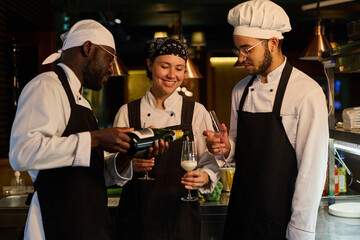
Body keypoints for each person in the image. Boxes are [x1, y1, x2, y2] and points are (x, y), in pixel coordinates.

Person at [9, 19, 166, 240]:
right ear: (88, 48)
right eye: (109, 59)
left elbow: (92, 174)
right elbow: (22, 153)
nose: (111, 69)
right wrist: (96, 138)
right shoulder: (46, 86)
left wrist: (127, 155)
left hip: (89, 223)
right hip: (58, 222)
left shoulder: (82, 102)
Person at [203, 1, 329, 239]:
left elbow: (311, 171)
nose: (241, 58)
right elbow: (241, 149)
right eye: (238, 50)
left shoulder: (306, 92)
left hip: (281, 222)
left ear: (272, 42)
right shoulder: (240, 90)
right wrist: (226, 147)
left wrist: (300, 231)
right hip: (240, 216)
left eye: (247, 49)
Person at [114, 37, 221, 240]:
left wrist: (205, 176)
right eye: (165, 66)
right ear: (149, 65)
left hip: (181, 219)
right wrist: (128, 163)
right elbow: (109, 167)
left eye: (180, 68)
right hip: (137, 222)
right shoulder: (127, 112)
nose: (172, 75)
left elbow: (210, 163)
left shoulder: (196, 112)